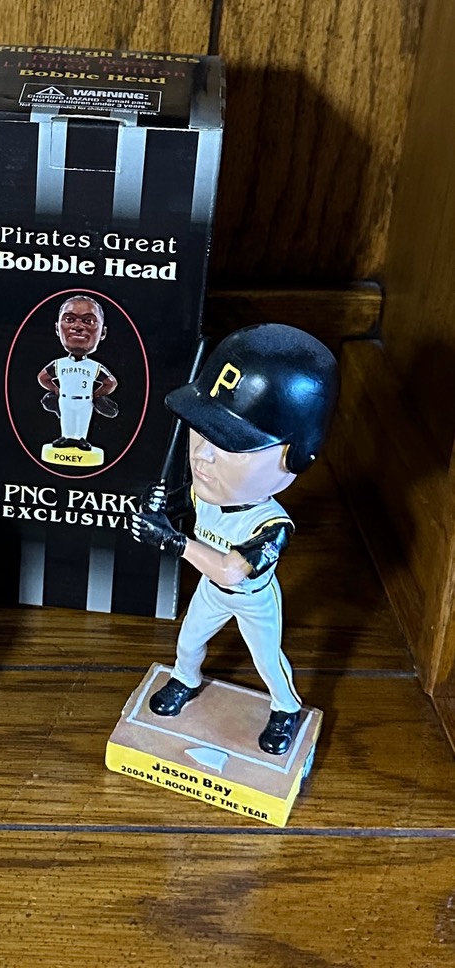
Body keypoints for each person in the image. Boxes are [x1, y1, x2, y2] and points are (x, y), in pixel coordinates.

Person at [130, 324, 338, 756]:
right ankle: (185, 680)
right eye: (201, 431)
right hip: (211, 592)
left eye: (229, 444)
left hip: (253, 601)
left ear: (294, 457)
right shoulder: (205, 491)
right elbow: (180, 504)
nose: (202, 455)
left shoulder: (272, 526)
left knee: (268, 661)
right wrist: (158, 506)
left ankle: (286, 708)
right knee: (188, 643)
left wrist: (171, 542)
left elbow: (230, 571)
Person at [38, 295, 118, 451]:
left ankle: (81, 439)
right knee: (67, 420)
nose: (77, 326)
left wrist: (97, 395)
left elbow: (110, 382)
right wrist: (55, 390)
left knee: (82, 422)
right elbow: (43, 377)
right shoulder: (60, 364)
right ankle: (66, 437)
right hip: (65, 399)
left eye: (88, 321)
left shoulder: (93, 366)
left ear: (103, 332)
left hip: (85, 401)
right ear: (57, 328)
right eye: (69, 319)